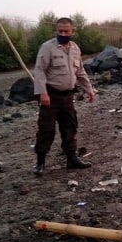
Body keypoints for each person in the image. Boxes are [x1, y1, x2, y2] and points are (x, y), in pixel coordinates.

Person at [32, 17, 95, 176]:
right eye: (60, 31)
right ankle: (40, 163)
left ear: (72, 31)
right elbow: (39, 71)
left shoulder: (75, 48)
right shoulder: (47, 48)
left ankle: (72, 159)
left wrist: (89, 89)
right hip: (50, 95)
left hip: (68, 96)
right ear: (56, 31)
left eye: (66, 31)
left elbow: (80, 71)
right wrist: (42, 93)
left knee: (70, 126)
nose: (63, 33)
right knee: (47, 129)